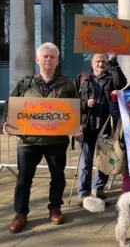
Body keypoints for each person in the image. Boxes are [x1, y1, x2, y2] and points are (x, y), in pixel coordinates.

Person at [2, 42, 79, 233]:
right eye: (45, 56)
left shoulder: (67, 85)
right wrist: (5, 123)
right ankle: (20, 213)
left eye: (52, 57)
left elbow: (77, 110)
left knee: (58, 177)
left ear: (58, 61)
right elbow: (10, 106)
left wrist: (77, 126)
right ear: (37, 59)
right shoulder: (25, 83)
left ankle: (55, 207)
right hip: (28, 141)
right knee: (23, 179)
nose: (48, 60)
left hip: (57, 141)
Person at [75, 53, 127, 206]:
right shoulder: (82, 79)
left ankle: (98, 188)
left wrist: (113, 62)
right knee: (86, 161)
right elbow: (72, 101)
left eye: (103, 61)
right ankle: (83, 193)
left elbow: (121, 83)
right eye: (97, 61)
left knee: (105, 160)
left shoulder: (111, 78)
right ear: (92, 64)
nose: (100, 64)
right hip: (87, 127)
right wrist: (85, 103)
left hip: (106, 127)